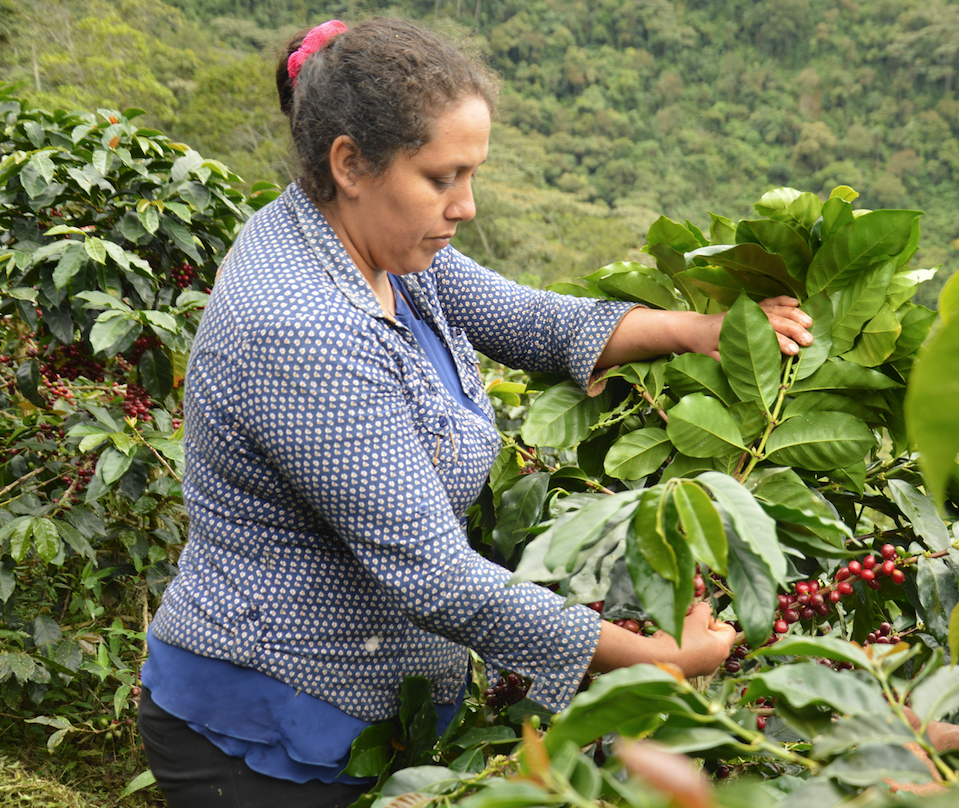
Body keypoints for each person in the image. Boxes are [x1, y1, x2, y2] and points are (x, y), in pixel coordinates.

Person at [137, 16, 814, 808]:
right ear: (349, 162)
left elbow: (529, 320)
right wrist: (656, 657)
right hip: (265, 734)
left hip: (372, 706)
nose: (465, 206)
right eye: (443, 177)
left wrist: (702, 332)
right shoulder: (305, 327)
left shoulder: (372, 241)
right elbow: (435, 576)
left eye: (472, 174)